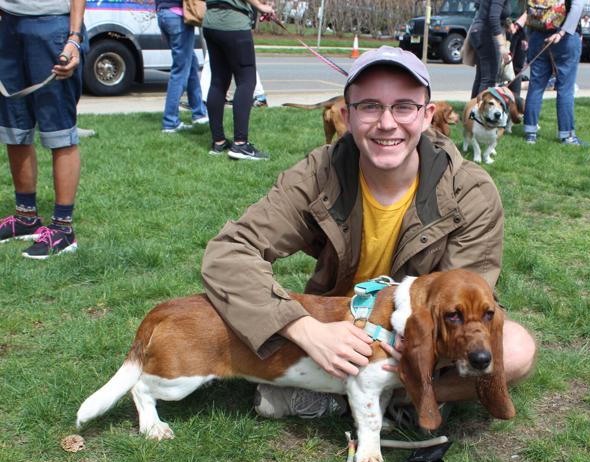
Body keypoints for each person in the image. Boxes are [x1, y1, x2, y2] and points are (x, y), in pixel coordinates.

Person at [201, 46, 537, 422]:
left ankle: (386, 397)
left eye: (404, 107)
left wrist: (404, 350)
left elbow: (465, 305)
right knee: (233, 309)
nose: (387, 123)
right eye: (371, 106)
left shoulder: (471, 191)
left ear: (428, 116)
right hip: (338, 325)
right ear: (346, 115)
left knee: (519, 348)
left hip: (421, 332)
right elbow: (228, 252)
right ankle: (355, 390)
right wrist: (305, 329)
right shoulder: (318, 173)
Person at [0, 0, 87, 259]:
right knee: (14, 127)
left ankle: (63, 229)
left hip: (53, 25)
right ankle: (26, 217)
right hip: (9, 24)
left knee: (58, 131)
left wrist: (74, 38)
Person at [202, 0, 274, 160]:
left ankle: (218, 142)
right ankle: (241, 145)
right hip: (234, 23)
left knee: (218, 82)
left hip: (210, 22)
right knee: (247, 80)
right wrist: (261, 7)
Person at [523, 0, 587, 145]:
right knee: (565, 88)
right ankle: (567, 135)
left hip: (538, 36)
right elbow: (577, 7)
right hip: (565, 39)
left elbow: (529, 11)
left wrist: (529, 36)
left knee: (536, 86)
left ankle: (530, 132)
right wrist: (561, 32)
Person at [156, 0, 208, 133]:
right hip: (178, 15)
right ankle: (170, 122)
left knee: (191, 63)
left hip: (163, 14)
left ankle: (199, 113)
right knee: (180, 71)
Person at [468, 0, 512, 98]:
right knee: (489, 79)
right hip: (486, 33)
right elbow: (493, 17)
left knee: (482, 77)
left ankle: (473, 110)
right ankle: (482, 110)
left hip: (480, 31)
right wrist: (501, 45)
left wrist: (508, 23)